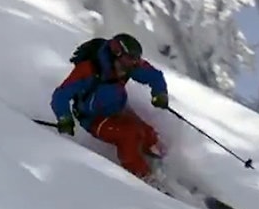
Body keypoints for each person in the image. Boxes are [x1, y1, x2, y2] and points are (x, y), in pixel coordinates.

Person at [49, 33, 170, 181]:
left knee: (147, 133)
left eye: (136, 58)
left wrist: (160, 93)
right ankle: (143, 177)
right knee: (129, 135)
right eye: (130, 58)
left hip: (117, 109)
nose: (135, 63)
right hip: (94, 118)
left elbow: (154, 76)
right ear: (117, 53)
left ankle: (164, 163)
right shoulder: (89, 70)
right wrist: (64, 119)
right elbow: (60, 96)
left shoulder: (129, 66)